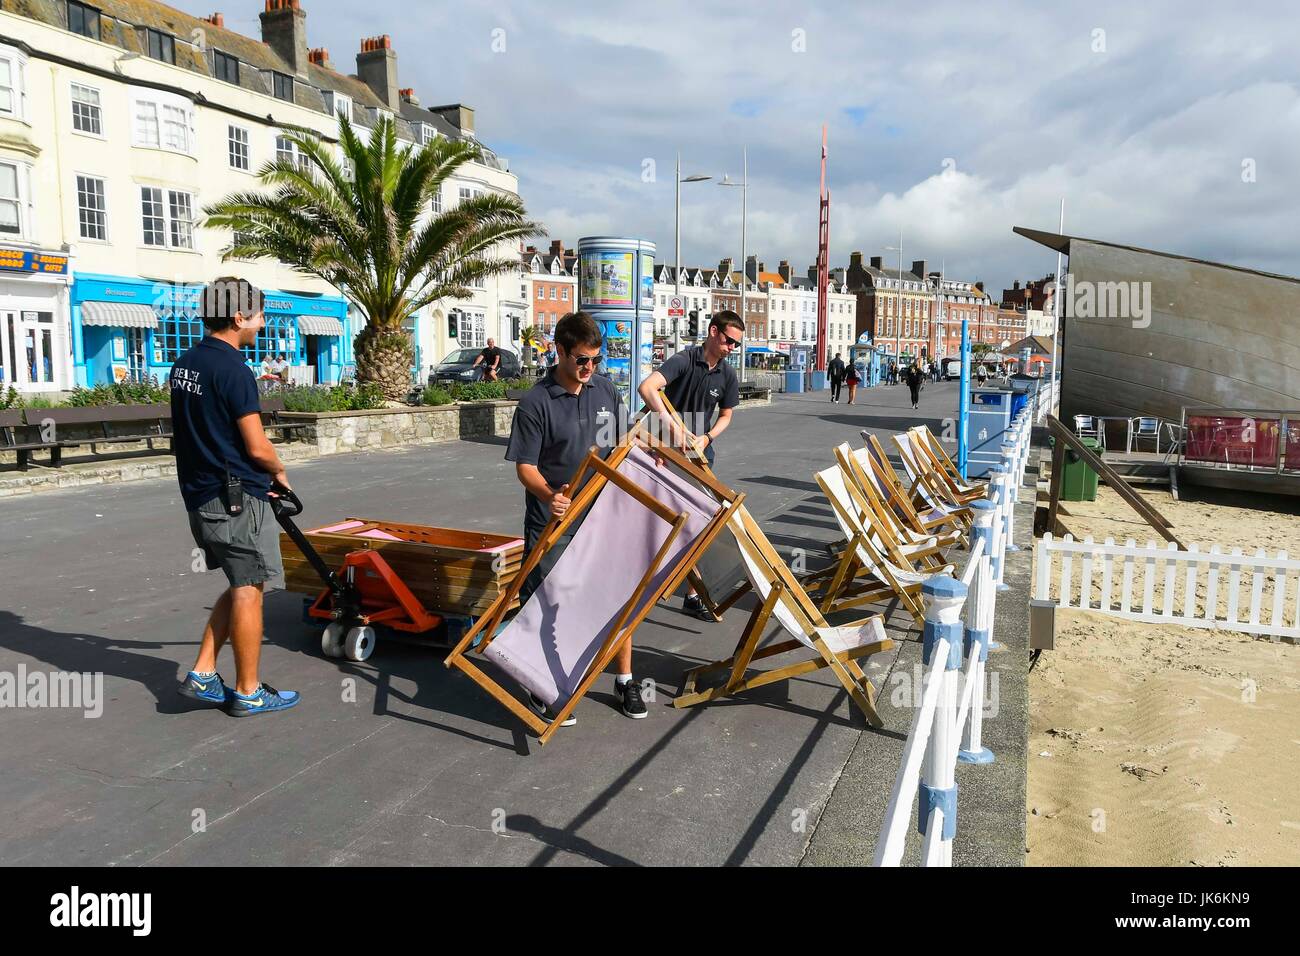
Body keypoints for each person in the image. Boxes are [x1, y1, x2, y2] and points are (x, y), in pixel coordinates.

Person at [170, 277, 299, 717]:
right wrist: (279, 472)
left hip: (200, 495)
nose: (262, 325)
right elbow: (257, 445)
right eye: (259, 316)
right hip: (236, 500)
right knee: (249, 587)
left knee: (240, 580)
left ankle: (204, 673)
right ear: (239, 316)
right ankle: (248, 691)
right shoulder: (234, 370)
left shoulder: (185, 363)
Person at [504, 312, 638, 724]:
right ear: (558, 351)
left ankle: (624, 680)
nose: (590, 369)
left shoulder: (605, 390)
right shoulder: (535, 403)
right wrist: (549, 495)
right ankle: (542, 685)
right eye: (582, 360)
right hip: (553, 517)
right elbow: (524, 466)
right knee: (547, 602)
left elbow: (619, 447)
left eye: (597, 360)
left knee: (617, 594)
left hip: (599, 513)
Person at [638, 310, 742, 621]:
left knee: (699, 525)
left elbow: (726, 415)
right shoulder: (684, 359)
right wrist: (671, 425)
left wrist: (708, 437)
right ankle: (638, 586)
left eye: (736, 345)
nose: (731, 348)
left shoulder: (727, 375)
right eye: (728, 341)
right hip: (664, 454)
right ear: (713, 332)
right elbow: (647, 387)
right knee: (658, 523)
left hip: (699, 457)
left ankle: (693, 594)